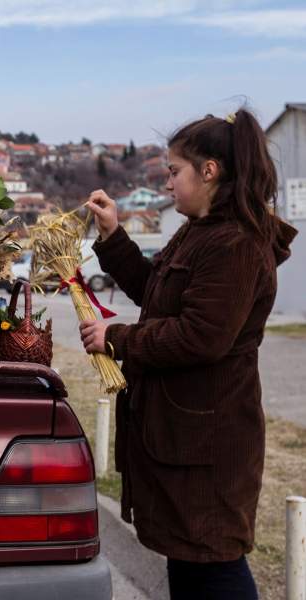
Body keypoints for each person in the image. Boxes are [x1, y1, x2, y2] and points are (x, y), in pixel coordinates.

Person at [80, 108, 297, 599]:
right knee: (191, 565)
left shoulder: (235, 243)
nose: (168, 181)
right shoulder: (201, 231)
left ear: (209, 171)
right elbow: (156, 295)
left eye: (174, 170)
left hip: (211, 446)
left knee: (214, 565)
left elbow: (203, 335)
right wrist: (113, 237)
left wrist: (119, 341)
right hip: (186, 439)